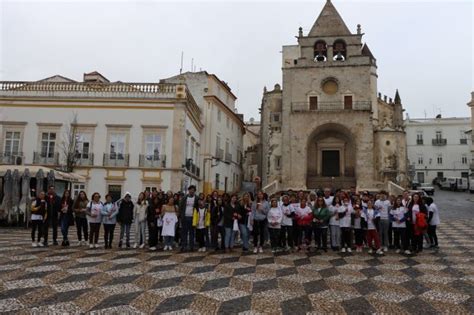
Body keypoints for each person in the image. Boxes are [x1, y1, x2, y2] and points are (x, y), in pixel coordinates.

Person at [179, 185, 199, 252]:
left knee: (192, 233)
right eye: (190, 189)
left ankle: (191, 246)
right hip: (185, 217)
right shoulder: (184, 197)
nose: (192, 191)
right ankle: (184, 246)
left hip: (192, 218)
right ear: (189, 190)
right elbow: (180, 207)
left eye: (193, 190)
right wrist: (181, 216)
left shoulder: (196, 198)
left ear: (194, 191)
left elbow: (198, 207)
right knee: (184, 232)